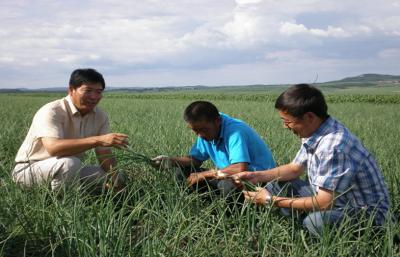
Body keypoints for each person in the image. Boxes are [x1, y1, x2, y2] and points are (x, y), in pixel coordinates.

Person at [232, 84, 390, 236]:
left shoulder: (333, 147)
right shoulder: (315, 130)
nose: (285, 127)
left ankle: (315, 232)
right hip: (334, 199)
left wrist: (269, 200)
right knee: (276, 184)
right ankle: (302, 228)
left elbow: (324, 203)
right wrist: (256, 176)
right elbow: (295, 169)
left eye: (287, 121)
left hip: (367, 215)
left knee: (315, 222)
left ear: (309, 117)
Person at [12, 68, 128, 192]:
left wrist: (116, 181)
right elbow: (53, 148)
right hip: (29, 170)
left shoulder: (100, 116)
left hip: (69, 169)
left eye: (98, 91)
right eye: (88, 90)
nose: (94, 97)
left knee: (116, 176)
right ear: (71, 90)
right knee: (69, 164)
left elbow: (104, 153)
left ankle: (82, 194)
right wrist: (98, 140)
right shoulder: (52, 111)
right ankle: (61, 206)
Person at [153, 100, 276, 195]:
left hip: (259, 180)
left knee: (227, 185)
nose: (200, 135)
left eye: (203, 130)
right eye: (195, 131)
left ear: (217, 121)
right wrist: (170, 161)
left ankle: (232, 220)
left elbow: (240, 168)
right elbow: (195, 160)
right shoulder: (206, 131)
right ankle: (202, 208)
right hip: (225, 174)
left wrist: (205, 174)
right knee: (181, 172)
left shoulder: (235, 132)